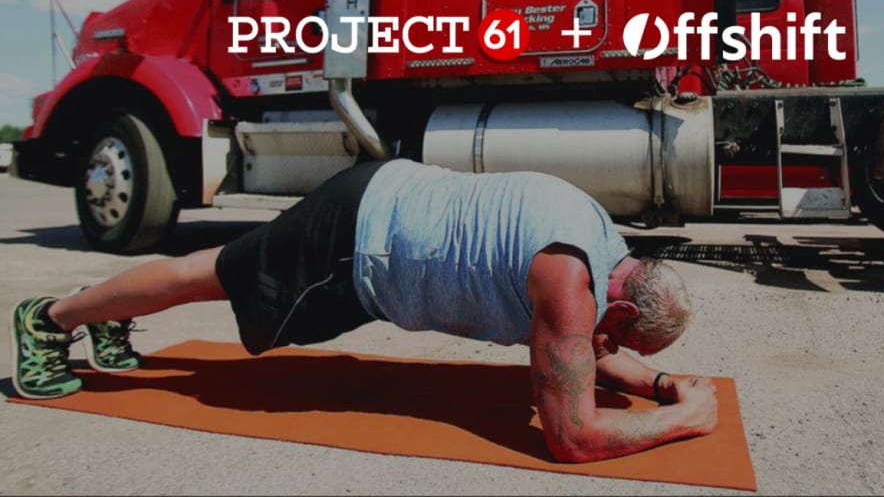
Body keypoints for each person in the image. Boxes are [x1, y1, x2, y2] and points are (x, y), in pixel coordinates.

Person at [11, 159, 718, 463]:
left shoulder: (604, 244)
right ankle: (53, 318)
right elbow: (573, 437)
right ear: (620, 309)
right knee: (212, 274)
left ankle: (94, 316)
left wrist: (658, 386)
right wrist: (681, 420)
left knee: (214, 273)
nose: (605, 347)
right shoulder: (568, 284)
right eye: (624, 341)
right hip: (354, 243)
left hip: (383, 199)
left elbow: (588, 350)